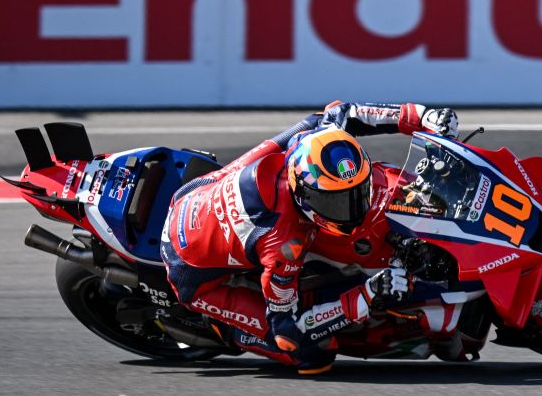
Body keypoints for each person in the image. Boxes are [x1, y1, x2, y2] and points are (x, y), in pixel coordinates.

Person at [160, 101, 459, 374]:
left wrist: (424, 117)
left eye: (358, 192)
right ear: (304, 193)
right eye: (337, 203)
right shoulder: (283, 244)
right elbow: (288, 323)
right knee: (308, 350)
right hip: (190, 272)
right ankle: (226, 330)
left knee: (303, 127)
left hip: (196, 192)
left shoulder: (312, 141)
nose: (353, 210)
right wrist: (366, 295)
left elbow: (345, 112)